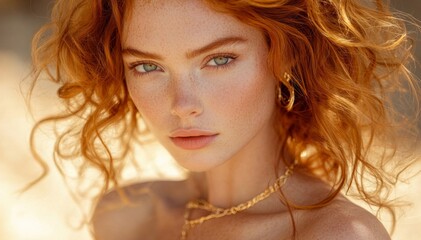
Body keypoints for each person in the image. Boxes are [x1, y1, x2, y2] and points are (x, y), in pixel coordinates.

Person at [29, 0, 420, 239]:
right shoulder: (126, 218)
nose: (182, 105)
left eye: (219, 60)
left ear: (283, 57)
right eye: (147, 66)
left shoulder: (338, 236)